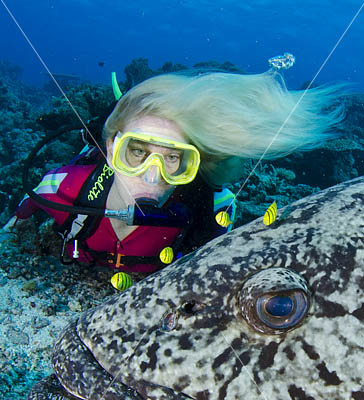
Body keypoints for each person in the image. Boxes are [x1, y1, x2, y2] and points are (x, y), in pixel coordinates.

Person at [14, 68, 345, 277]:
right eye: (138, 153)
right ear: (114, 150)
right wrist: (16, 227)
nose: (152, 176)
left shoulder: (213, 209)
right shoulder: (63, 190)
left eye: (173, 158)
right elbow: (26, 209)